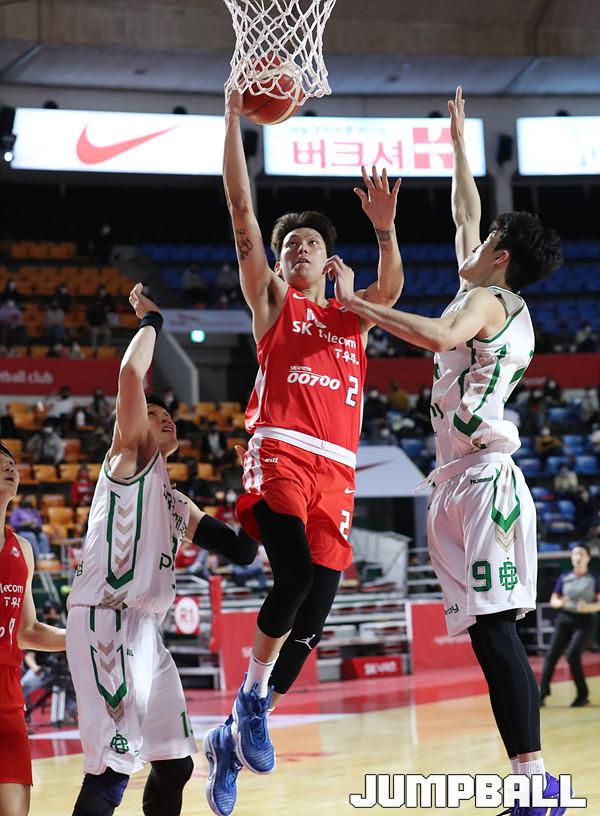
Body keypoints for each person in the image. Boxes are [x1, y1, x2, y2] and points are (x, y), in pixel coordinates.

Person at [330, 86, 566, 815]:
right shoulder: (485, 288)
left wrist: (357, 304)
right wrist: (459, 146)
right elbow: (468, 210)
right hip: (457, 479)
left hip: (485, 482)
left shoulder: (489, 303)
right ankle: (528, 781)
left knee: (496, 632)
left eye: (488, 240)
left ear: (501, 258)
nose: (474, 240)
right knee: (488, 638)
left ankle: (536, 785)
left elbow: (435, 336)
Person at [203, 89, 403, 816]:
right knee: (288, 578)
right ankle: (249, 701)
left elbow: (392, 288)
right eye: (289, 245)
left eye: (309, 244)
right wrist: (232, 122)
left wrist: (385, 230)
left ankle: (231, 738)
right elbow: (241, 210)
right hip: (282, 453)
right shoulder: (272, 302)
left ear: (327, 259)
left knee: (312, 619)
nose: (296, 250)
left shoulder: (352, 314)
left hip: (337, 473)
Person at [65, 283, 258, 816]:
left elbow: (242, 552)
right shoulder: (128, 457)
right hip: (108, 620)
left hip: (147, 631)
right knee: (112, 771)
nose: (165, 415)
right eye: (154, 411)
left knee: (175, 764)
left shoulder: (176, 502)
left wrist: (256, 487)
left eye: (169, 412)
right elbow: (131, 375)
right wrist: (152, 322)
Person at [0, 440, 67, 816]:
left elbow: (27, 631)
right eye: (0, 462)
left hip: (8, 693)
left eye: (13, 462)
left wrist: (85, 638)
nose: (11, 467)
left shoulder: (22, 548)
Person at [540, 544, 600, 707]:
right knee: (551, 655)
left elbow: (599, 603)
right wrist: (560, 602)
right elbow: (554, 600)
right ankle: (542, 694)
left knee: (572, 654)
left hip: (584, 622)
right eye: (574, 554)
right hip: (564, 619)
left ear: (588, 558)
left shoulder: (593, 578)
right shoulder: (565, 577)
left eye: (581, 554)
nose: (577, 557)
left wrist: (589, 607)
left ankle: (582, 695)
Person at [9, 495, 50, 560]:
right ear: (22, 501)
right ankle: (38, 555)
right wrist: (25, 523)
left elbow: (39, 522)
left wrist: (35, 524)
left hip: (35, 530)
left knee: (43, 536)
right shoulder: (17, 511)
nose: (27, 501)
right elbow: (14, 524)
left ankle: (46, 554)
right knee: (31, 535)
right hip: (22, 531)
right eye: (26, 499)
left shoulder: (34, 511)